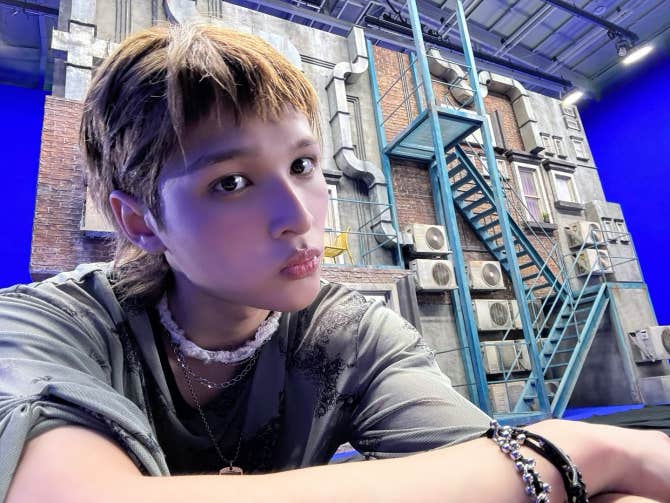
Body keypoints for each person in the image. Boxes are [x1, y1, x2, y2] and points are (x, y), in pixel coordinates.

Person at [1, 22, 669, 503]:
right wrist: (587, 446)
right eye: (231, 182)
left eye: (302, 164)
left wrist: (593, 475)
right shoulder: (47, 327)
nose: (299, 213)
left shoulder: (350, 335)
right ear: (140, 221)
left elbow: (500, 476)